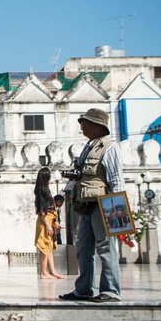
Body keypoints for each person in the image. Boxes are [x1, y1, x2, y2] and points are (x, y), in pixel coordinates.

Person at [59, 108, 125, 303]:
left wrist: (117, 213)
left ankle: (111, 290)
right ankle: (84, 289)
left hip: (103, 204)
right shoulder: (89, 146)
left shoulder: (110, 147)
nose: (82, 126)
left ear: (98, 126)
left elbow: (116, 180)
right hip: (85, 204)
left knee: (106, 248)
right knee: (83, 248)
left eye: (86, 123)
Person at [34, 168, 65, 280]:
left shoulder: (46, 190)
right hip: (44, 222)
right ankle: (43, 272)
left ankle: (52, 271)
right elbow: (42, 210)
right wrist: (47, 225)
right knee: (44, 248)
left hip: (49, 221)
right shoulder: (41, 192)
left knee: (49, 247)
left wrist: (54, 223)